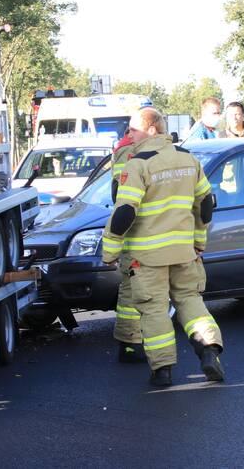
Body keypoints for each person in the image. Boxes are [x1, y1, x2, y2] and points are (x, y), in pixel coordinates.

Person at [102, 107, 224, 386]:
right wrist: (199, 241)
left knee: (154, 310)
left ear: (152, 129)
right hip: (183, 252)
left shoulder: (138, 164)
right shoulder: (188, 159)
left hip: (147, 257)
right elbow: (205, 204)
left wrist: (110, 251)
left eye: (133, 129)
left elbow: (124, 213)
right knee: (190, 301)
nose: (128, 134)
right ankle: (209, 350)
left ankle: (163, 370)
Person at [108, 132, 144, 363]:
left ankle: (130, 344)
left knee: (130, 291)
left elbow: (116, 193)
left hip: (132, 228)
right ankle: (133, 344)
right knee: (135, 292)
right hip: (142, 228)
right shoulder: (136, 151)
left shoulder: (122, 150)